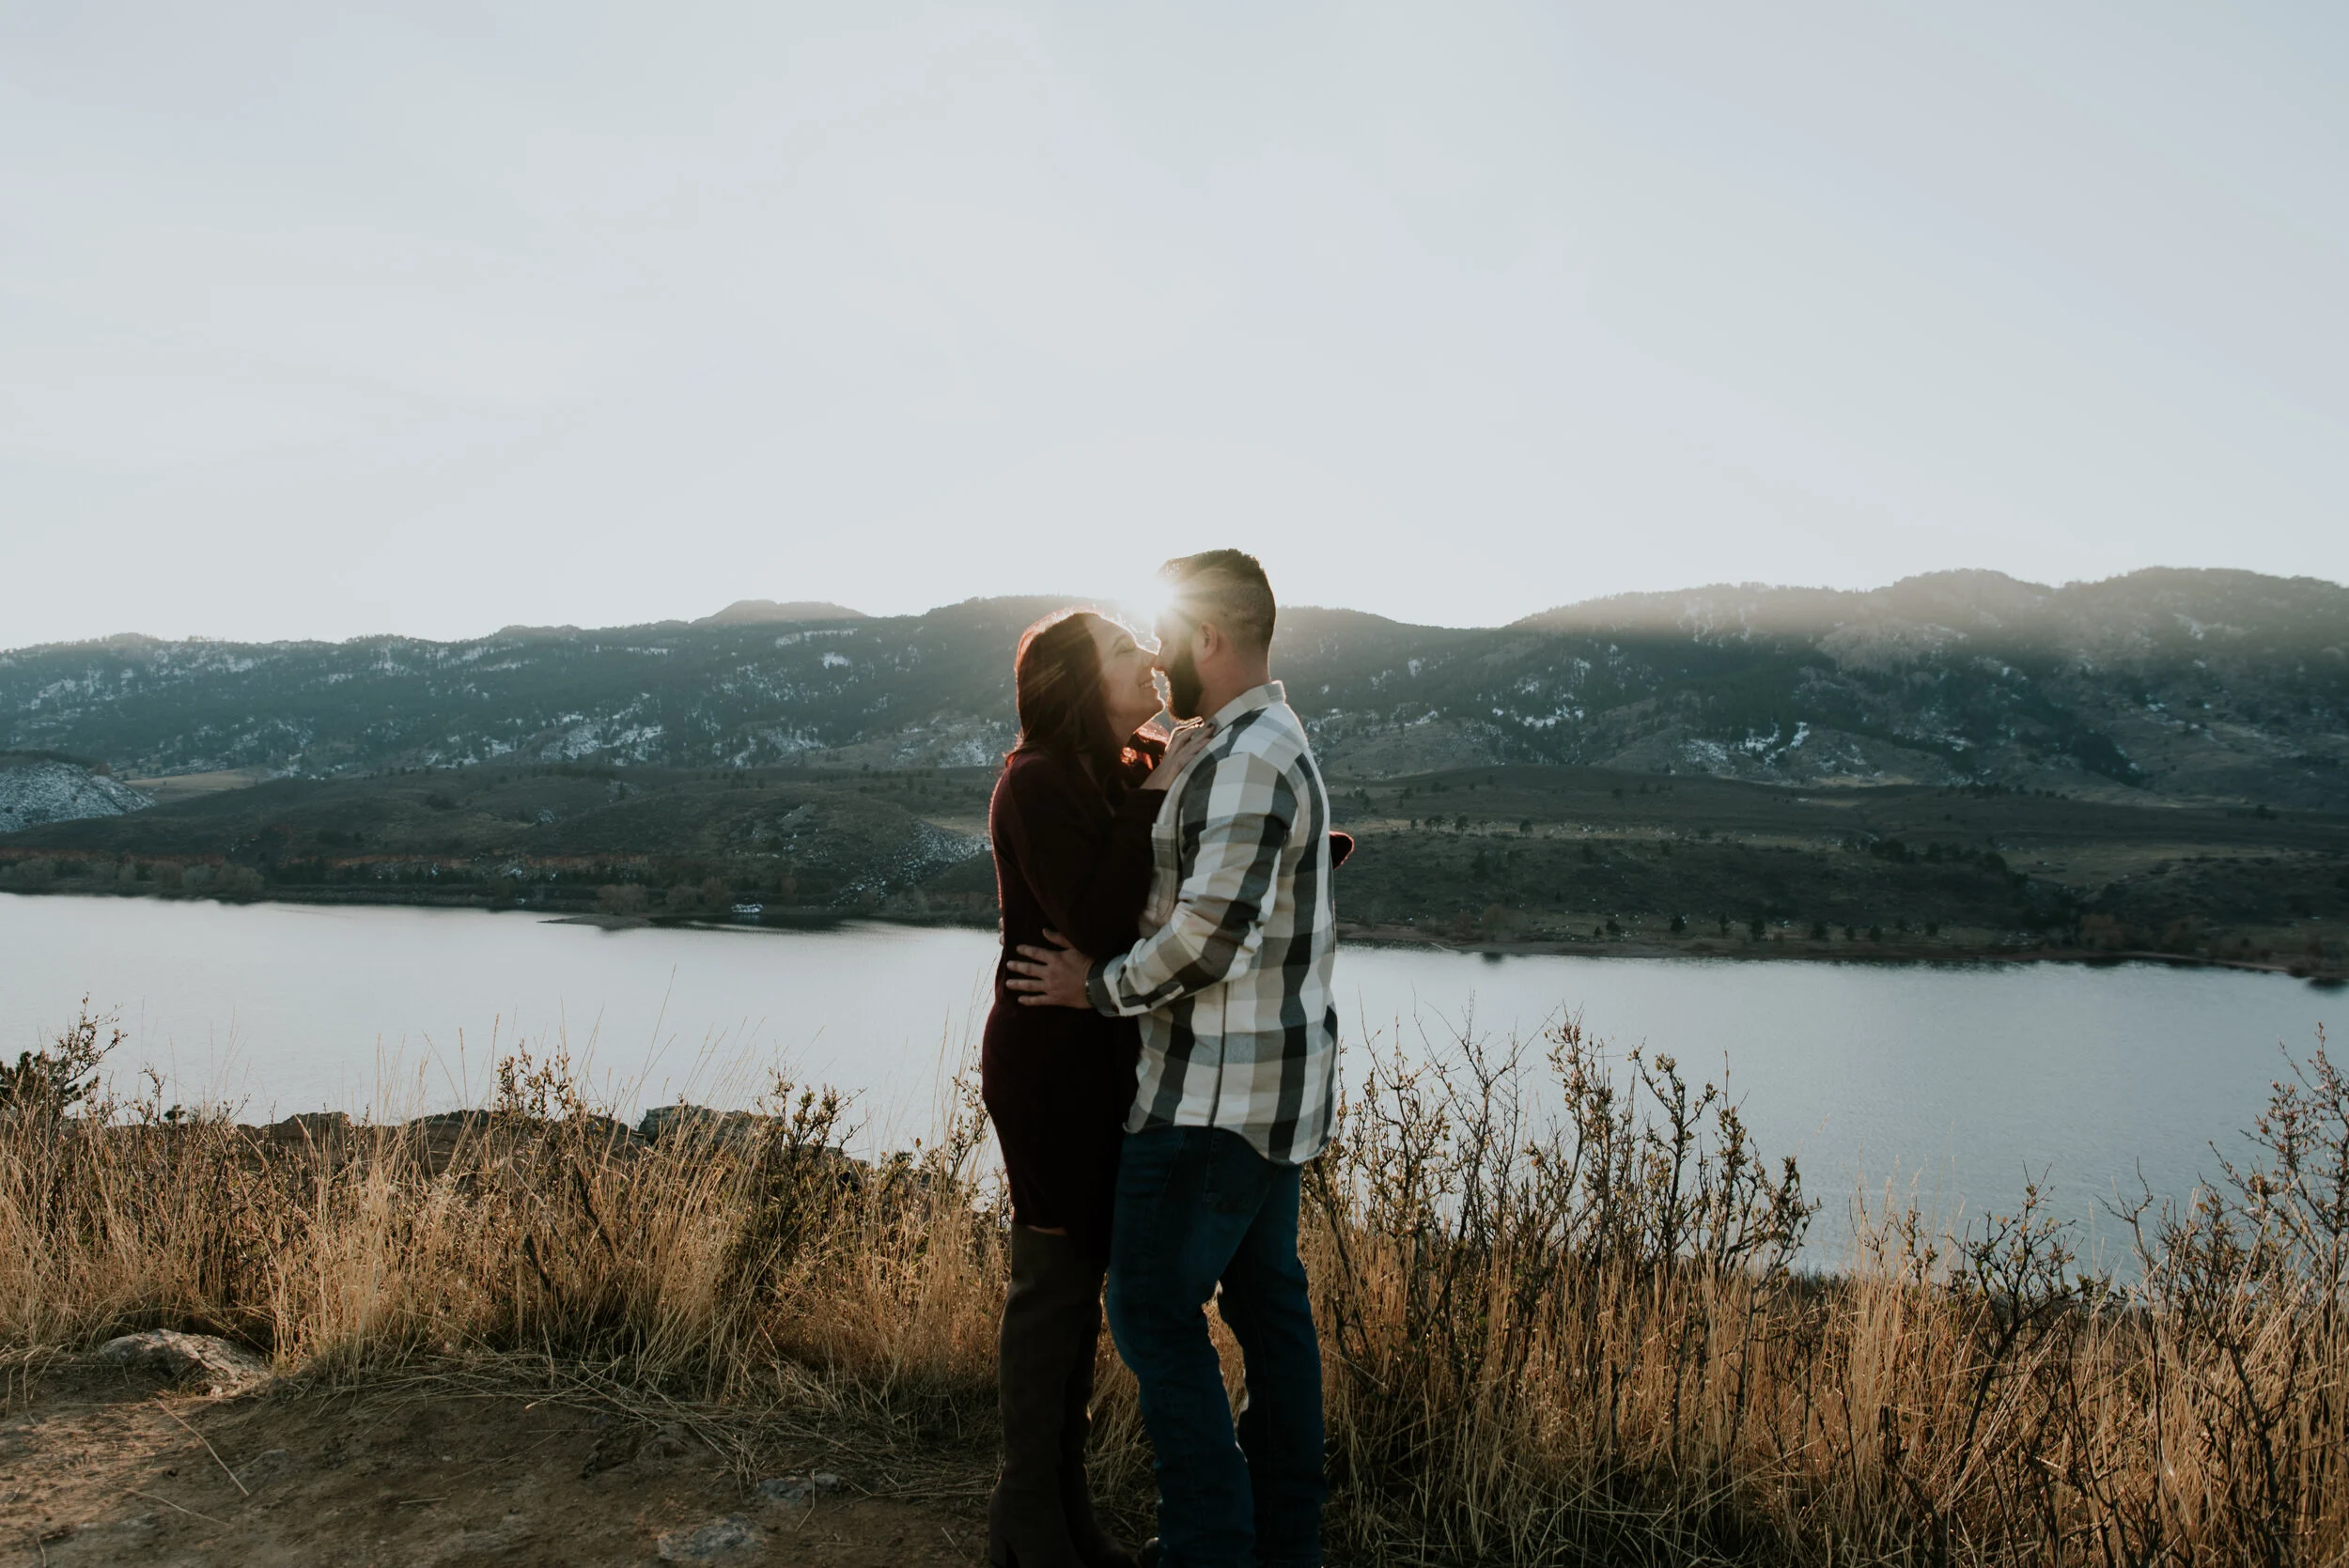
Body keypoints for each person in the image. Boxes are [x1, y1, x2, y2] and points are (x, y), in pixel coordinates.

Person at [1007, 550, 1340, 1568]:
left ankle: (1209, 1550)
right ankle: (1278, 1546)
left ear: (1210, 636)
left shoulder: (1249, 753)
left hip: (1208, 1099)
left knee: (1150, 1309)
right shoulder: (1239, 742)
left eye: (1162, 637)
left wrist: (1095, 987)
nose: (1156, 658)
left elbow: (1203, 940)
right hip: (1263, 1098)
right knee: (1269, 1312)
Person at [981, 608, 1213, 1568]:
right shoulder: (1036, 781)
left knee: (1077, 1286)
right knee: (1052, 1284)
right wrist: (1155, 789)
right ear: (1079, 681)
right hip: (1045, 1068)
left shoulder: (1110, 768)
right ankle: (1025, 1523)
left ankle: (1061, 1518)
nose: (1150, 656)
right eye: (1124, 649)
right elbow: (1099, 918)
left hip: (1097, 1063)